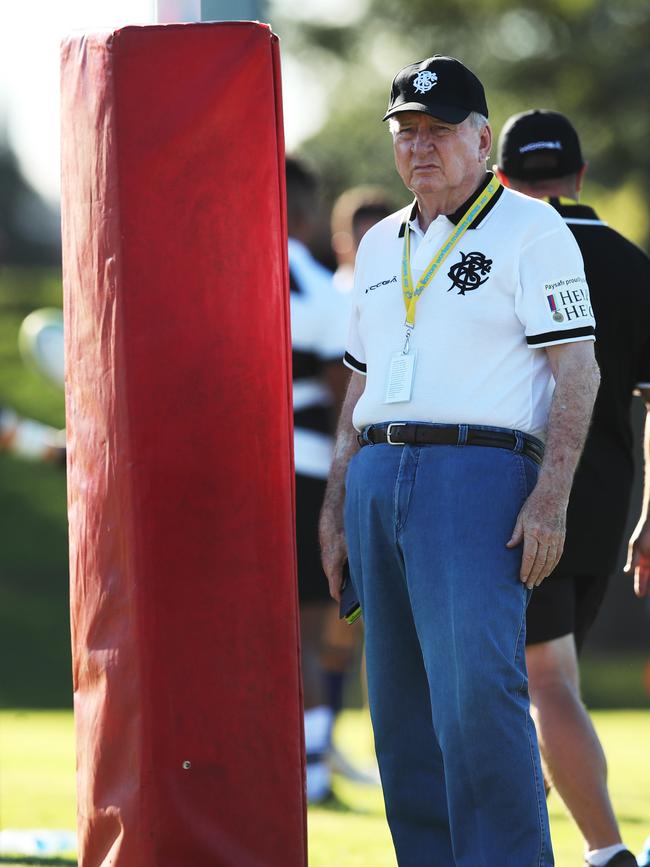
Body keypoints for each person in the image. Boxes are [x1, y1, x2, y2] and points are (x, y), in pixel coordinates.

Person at [319, 55, 600, 867]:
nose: (421, 146)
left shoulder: (531, 228)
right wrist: (337, 503)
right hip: (378, 475)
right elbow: (357, 386)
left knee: (480, 698)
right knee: (400, 713)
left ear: (483, 139)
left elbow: (578, 371)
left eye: (440, 130)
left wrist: (550, 498)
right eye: (406, 131)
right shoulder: (377, 245)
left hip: (479, 476)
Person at [495, 108, 650, 867]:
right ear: (581, 177)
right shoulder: (629, 260)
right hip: (606, 507)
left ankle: (605, 850)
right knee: (555, 683)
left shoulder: (503, 250)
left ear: (500, 179)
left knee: (544, 681)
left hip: (523, 498)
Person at [285, 156, 350, 804]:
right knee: (306, 630)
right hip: (303, 472)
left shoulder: (207, 271)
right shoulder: (319, 288)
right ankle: (310, 771)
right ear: (305, 216)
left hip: (224, 477)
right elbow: (342, 404)